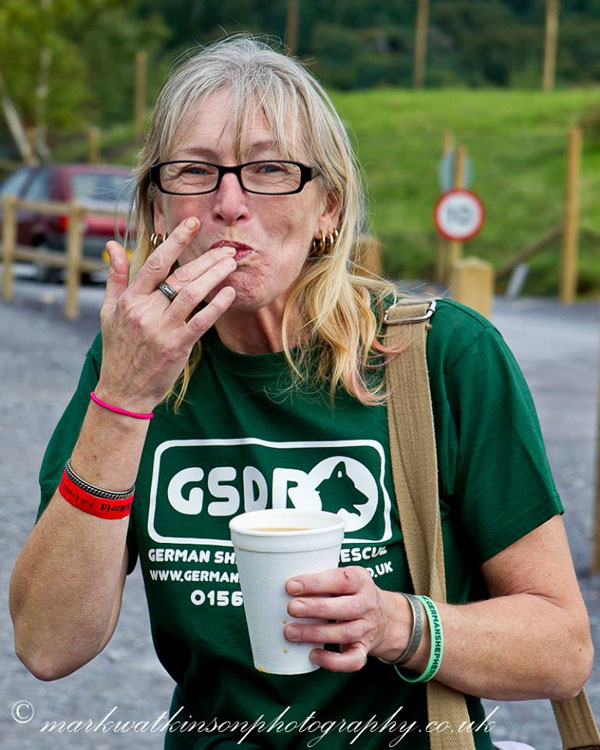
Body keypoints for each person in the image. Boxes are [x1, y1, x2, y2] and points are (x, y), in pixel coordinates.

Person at [9, 35, 593, 750]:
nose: (230, 203)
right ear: (158, 209)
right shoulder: (134, 361)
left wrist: (396, 624)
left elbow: (563, 648)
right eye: (194, 170)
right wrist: (125, 400)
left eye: (269, 169)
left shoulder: (441, 355)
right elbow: (48, 645)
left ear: (329, 209)